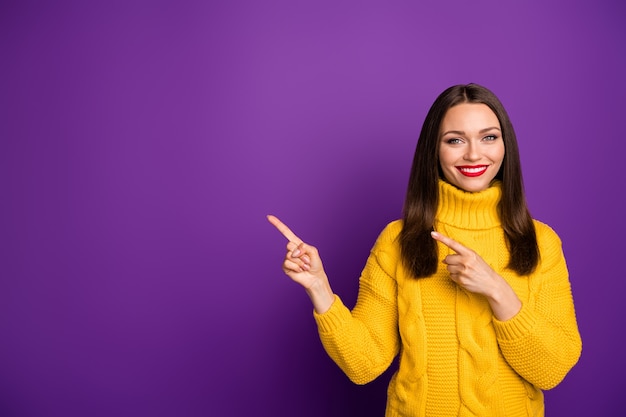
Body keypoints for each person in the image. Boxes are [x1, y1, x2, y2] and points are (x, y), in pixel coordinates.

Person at [267, 83, 582, 417]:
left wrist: (497, 290)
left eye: (489, 137)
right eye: (455, 140)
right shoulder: (397, 240)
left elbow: (552, 369)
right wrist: (319, 288)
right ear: (434, 149)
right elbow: (364, 364)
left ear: (506, 146)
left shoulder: (541, 241)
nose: (474, 154)